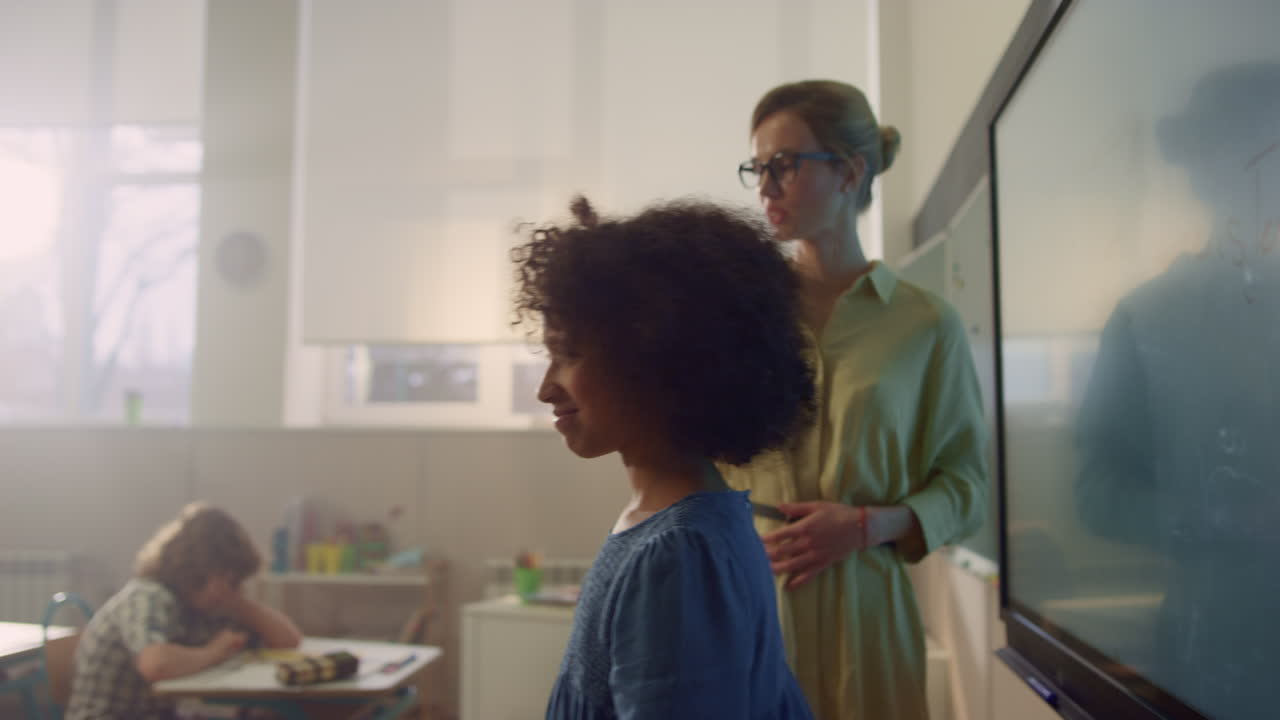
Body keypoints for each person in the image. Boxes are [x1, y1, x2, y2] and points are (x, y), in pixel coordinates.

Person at [723, 79, 989, 719]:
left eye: (784, 166)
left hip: (870, 616)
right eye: (757, 169)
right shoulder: (739, 315)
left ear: (848, 172)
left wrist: (868, 525)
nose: (765, 187)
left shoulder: (926, 324)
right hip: (752, 599)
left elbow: (967, 485)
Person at [512, 196, 816, 719]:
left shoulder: (678, 555)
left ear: (657, 359)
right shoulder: (677, 524)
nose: (545, 390)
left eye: (568, 356)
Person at [1075, 62, 1280, 720]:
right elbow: (1098, 491)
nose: (1253, 172)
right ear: (1201, 169)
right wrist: (1216, 517)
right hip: (1214, 663)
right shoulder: (1151, 317)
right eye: (1236, 150)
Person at [66, 502, 303, 720]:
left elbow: (288, 639)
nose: (228, 590)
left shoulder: (197, 606)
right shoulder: (147, 596)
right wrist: (215, 651)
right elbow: (155, 665)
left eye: (234, 582)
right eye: (224, 578)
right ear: (197, 568)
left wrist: (237, 603)